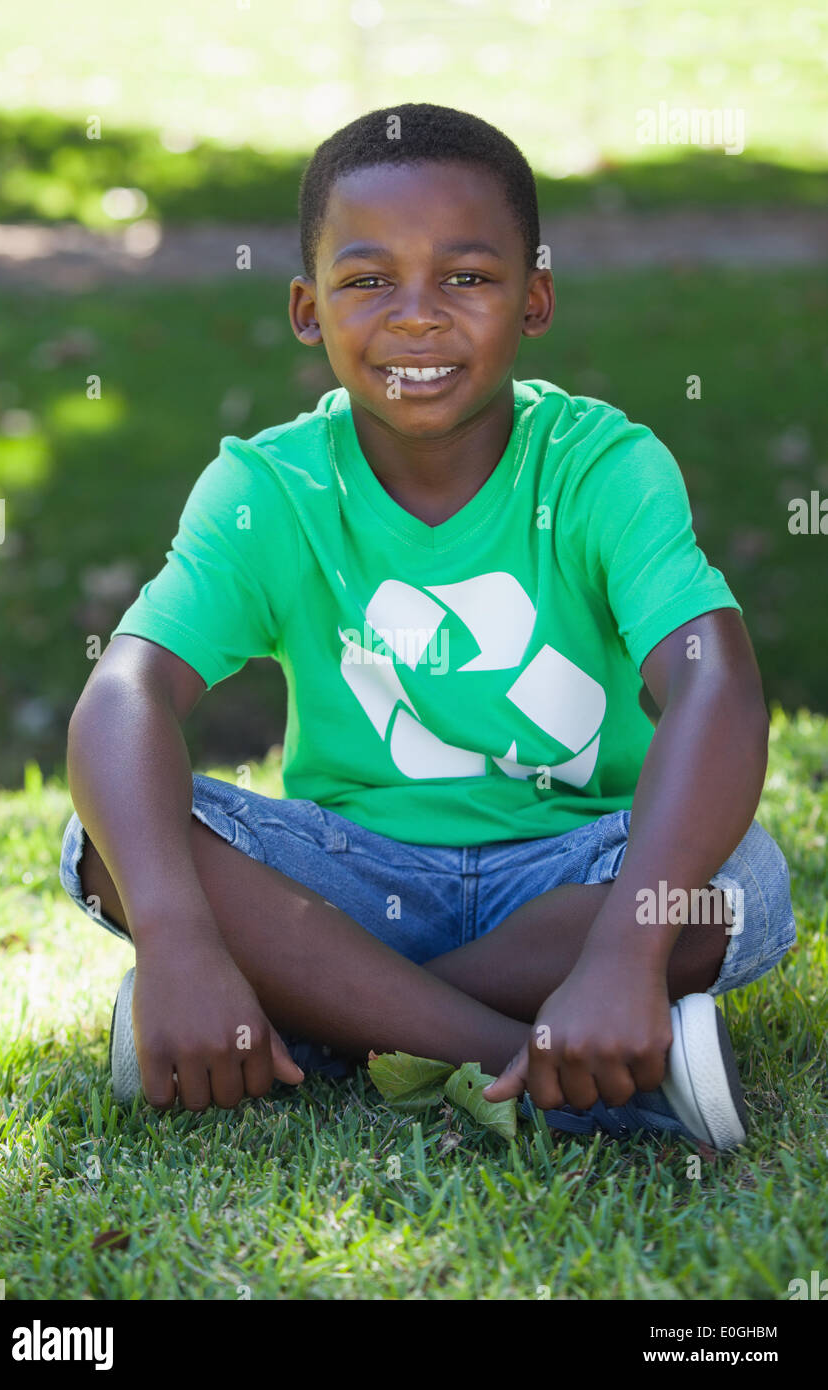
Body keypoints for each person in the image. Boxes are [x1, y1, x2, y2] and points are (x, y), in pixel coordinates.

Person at [59, 103, 796, 1149]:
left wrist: (623, 958)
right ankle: (522, 1059)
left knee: (736, 888)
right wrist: (179, 940)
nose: (416, 317)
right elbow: (126, 692)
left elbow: (712, 685)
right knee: (102, 844)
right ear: (307, 310)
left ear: (532, 298)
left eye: (466, 276)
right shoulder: (269, 488)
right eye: (366, 282)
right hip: (350, 874)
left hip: (567, 872)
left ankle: (314, 1020)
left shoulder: (600, 466)